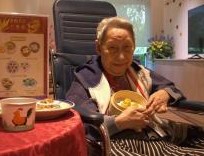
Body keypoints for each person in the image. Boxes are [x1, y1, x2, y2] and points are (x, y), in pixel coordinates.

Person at [66, 17, 204, 156]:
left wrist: (164, 94)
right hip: (120, 143)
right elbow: (78, 122)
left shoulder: (139, 71)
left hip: (158, 135)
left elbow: (170, 87)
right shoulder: (86, 77)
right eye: (112, 48)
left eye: (127, 47)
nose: (121, 57)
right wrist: (119, 122)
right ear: (99, 48)